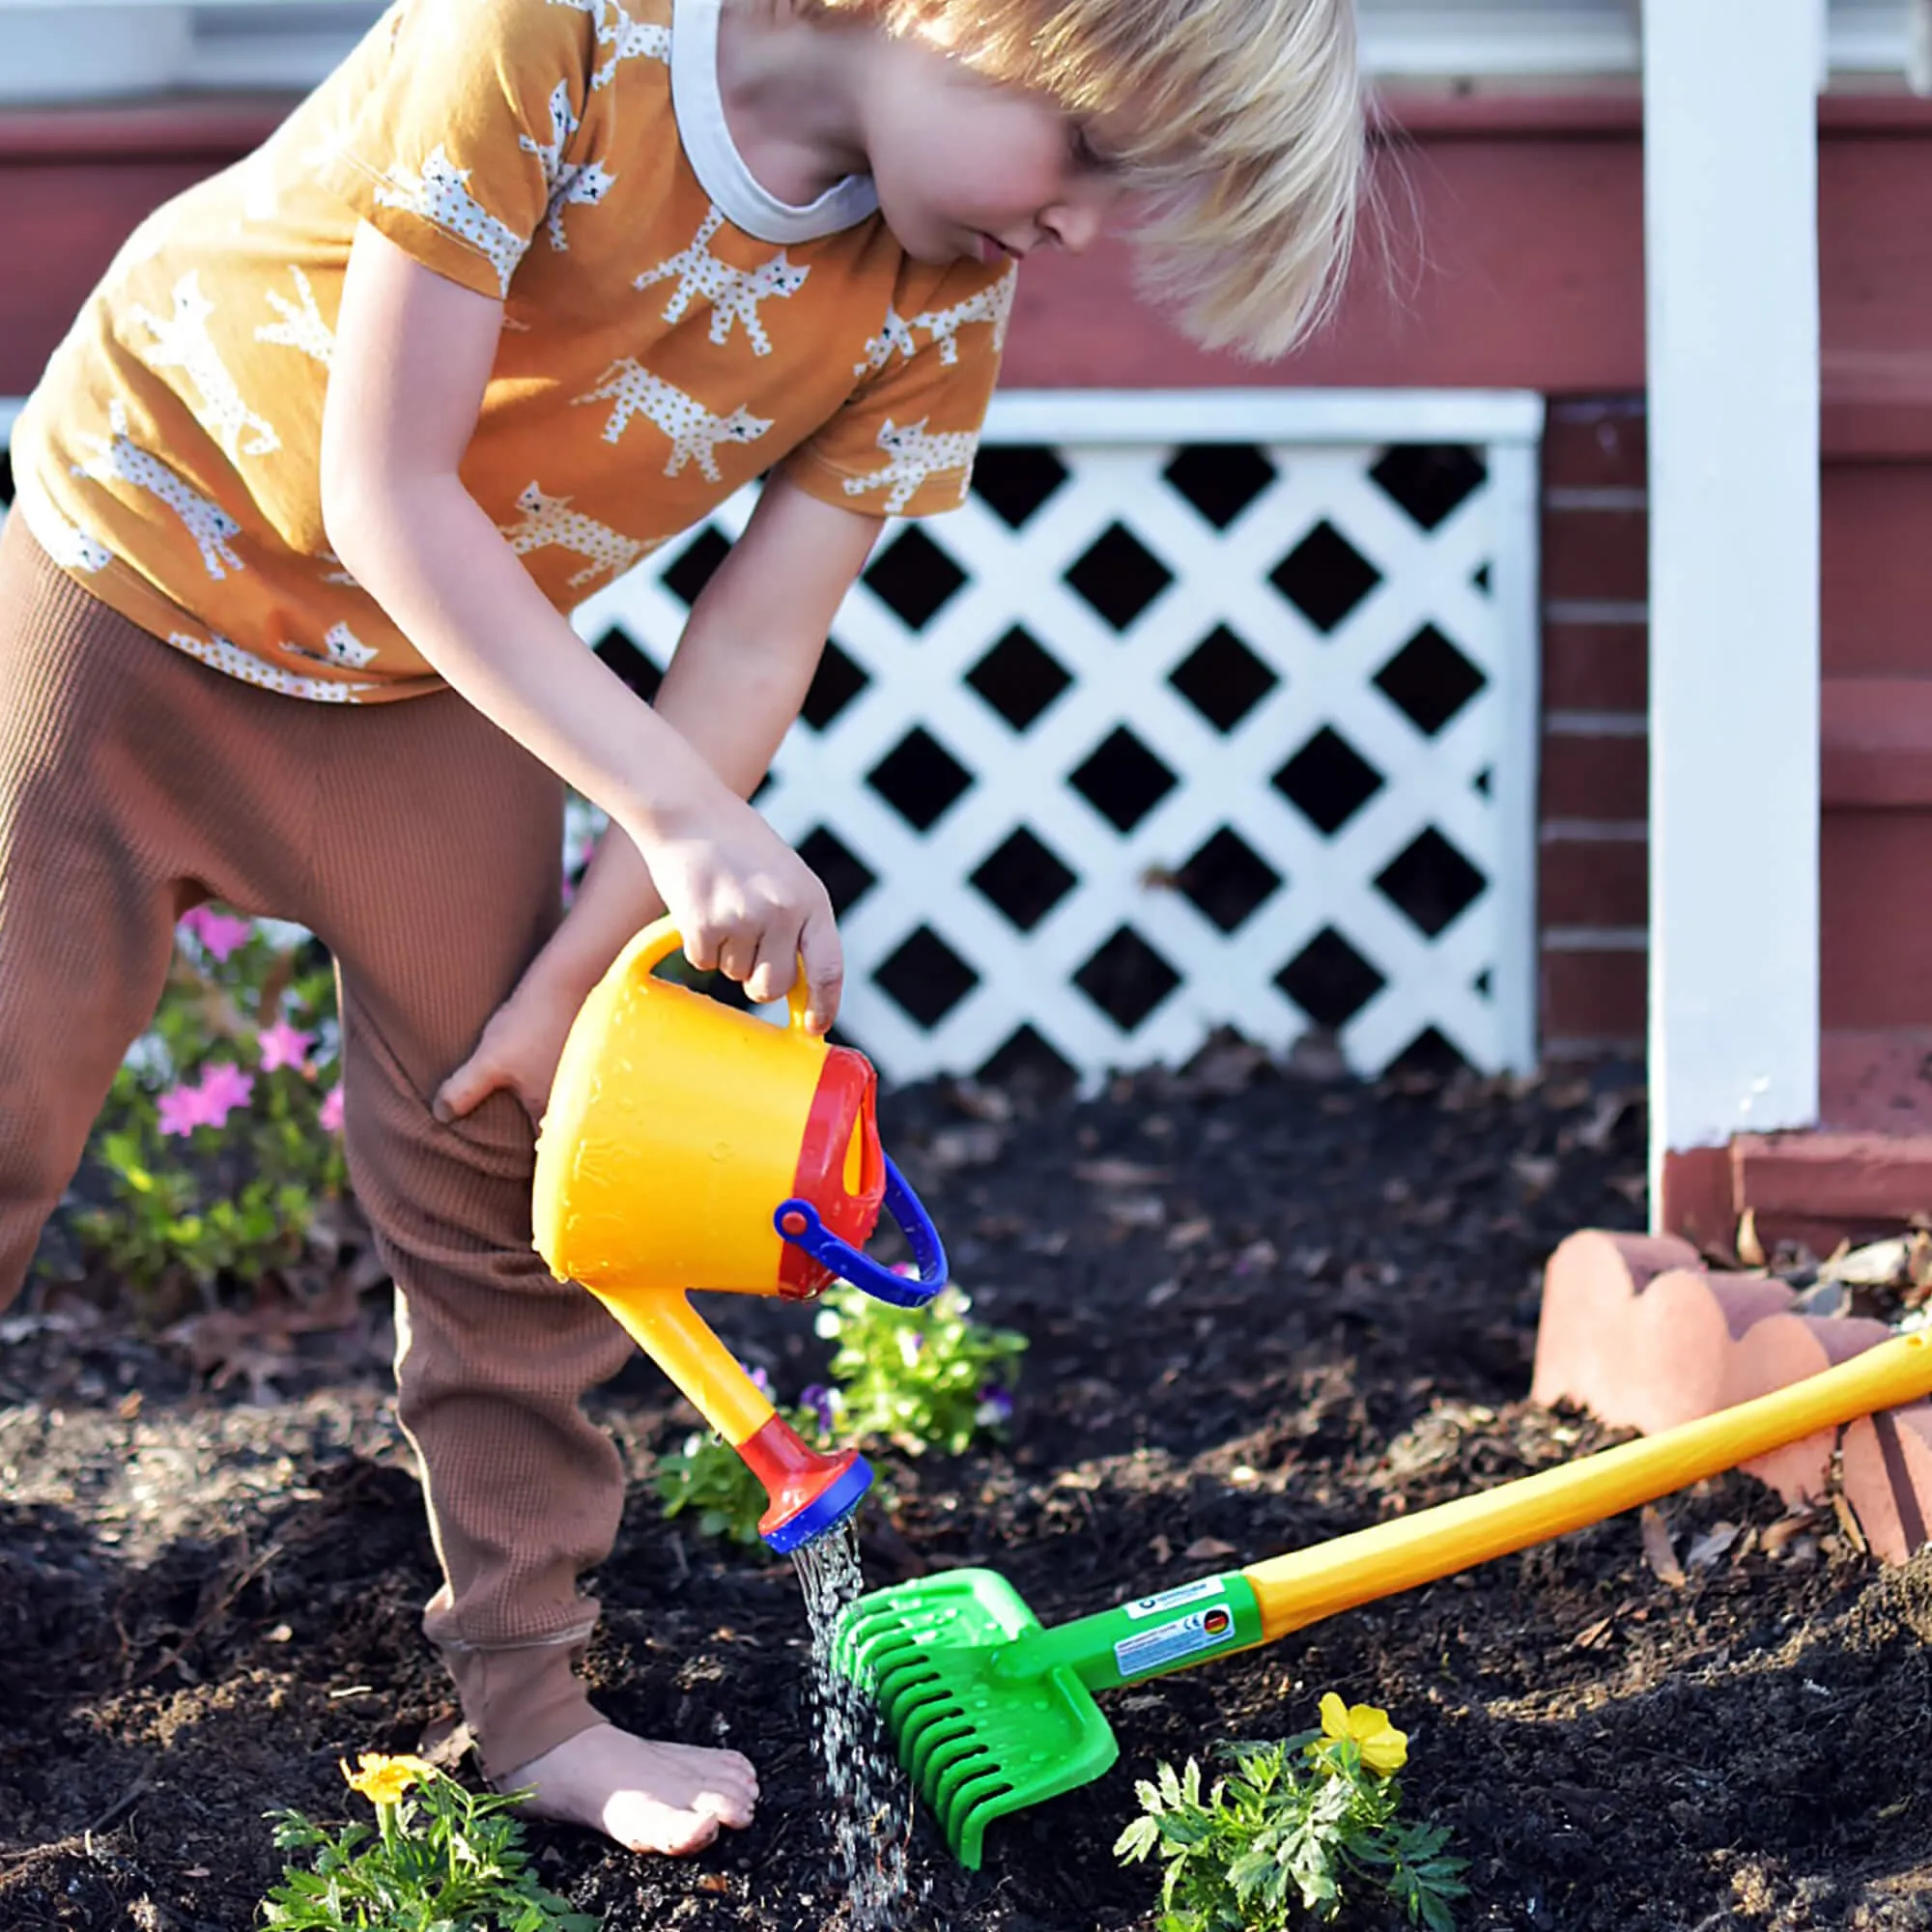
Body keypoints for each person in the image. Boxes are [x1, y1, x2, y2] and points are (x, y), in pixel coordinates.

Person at [0, 0, 1365, 1861]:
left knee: (506, 1180)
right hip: (124, 571)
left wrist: (575, 979)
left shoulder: (934, 291)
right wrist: (679, 816)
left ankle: (533, 1703)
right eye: (1095, 153)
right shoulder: (552, 35)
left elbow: (753, 642)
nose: (1080, 231)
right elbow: (382, 489)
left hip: (424, 687)